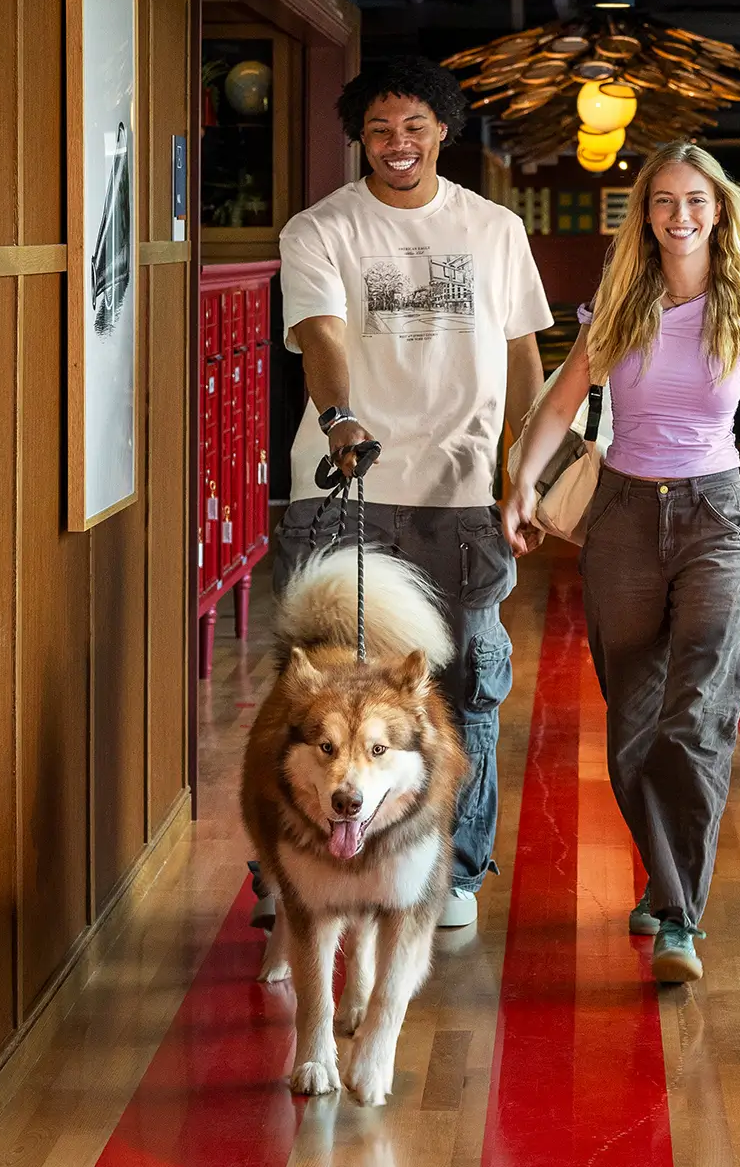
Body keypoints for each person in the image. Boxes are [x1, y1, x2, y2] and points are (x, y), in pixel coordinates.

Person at [501, 141, 740, 985]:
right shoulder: (622, 300)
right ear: (645, 213)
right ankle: (664, 880)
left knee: (698, 715)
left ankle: (679, 917)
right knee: (635, 722)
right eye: (665, 201)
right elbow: (565, 396)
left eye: (696, 202)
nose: (680, 216)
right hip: (625, 519)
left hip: (718, 515)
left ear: (719, 211)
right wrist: (519, 487)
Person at [275, 56, 554, 931]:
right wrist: (341, 416)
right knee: (327, 697)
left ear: (443, 131)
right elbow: (320, 332)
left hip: (463, 491)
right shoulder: (321, 229)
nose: (399, 144)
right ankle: (311, 869)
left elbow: (518, 356)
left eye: (415, 127)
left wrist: (529, 465)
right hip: (345, 487)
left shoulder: (495, 228)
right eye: (381, 129)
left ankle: (453, 872)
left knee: (466, 683)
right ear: (360, 137)